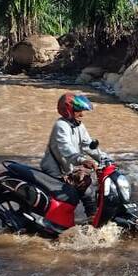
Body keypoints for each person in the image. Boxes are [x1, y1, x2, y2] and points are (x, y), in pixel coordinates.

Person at [41, 92, 109, 221]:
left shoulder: (79, 125)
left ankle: (93, 221)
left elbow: (88, 145)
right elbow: (65, 148)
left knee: (88, 190)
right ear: (68, 110)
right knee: (71, 195)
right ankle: (60, 225)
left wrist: (105, 159)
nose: (82, 114)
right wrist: (82, 160)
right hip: (55, 171)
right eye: (78, 111)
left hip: (68, 168)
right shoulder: (61, 125)